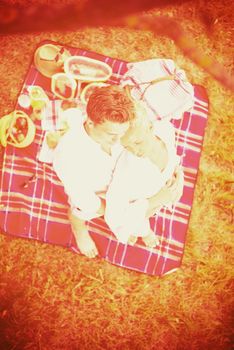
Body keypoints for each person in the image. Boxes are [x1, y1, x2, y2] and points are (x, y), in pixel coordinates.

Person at [52, 86, 135, 258]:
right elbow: (82, 196)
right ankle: (78, 227)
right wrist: (113, 212)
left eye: (123, 132)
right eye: (112, 134)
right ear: (90, 122)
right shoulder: (68, 154)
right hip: (94, 195)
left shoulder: (119, 133)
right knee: (82, 210)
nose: (119, 140)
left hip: (120, 181)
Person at [104, 103, 184, 247]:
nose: (135, 151)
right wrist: (154, 201)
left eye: (138, 142)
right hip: (141, 206)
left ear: (151, 128)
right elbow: (116, 214)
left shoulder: (166, 131)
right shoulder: (128, 171)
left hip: (163, 187)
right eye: (127, 146)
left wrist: (178, 173)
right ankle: (144, 232)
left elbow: (172, 154)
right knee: (139, 224)